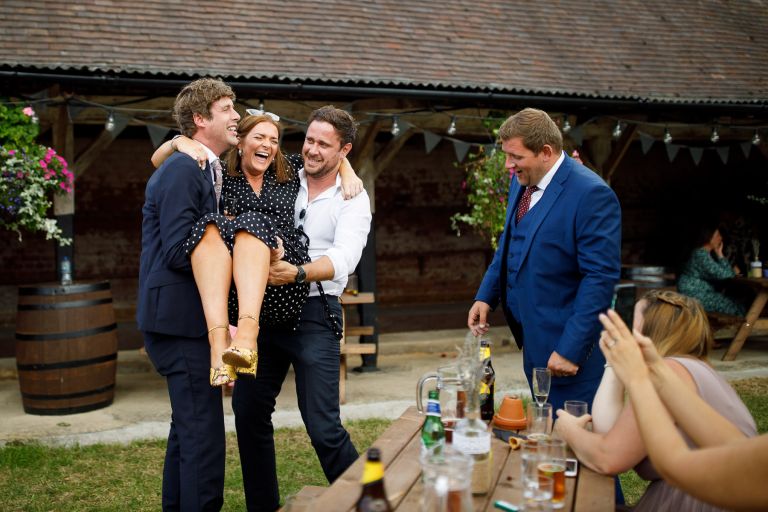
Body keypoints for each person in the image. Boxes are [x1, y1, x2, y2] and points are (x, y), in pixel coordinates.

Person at [150, 112, 362, 387]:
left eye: (273, 140)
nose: (268, 145)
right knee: (209, 224)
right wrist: (179, 141)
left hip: (283, 280)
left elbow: (328, 158)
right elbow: (158, 162)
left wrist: (348, 172)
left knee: (252, 221)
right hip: (243, 290)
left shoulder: (287, 168)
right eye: (259, 137)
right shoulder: (219, 174)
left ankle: (245, 337)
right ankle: (224, 343)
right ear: (240, 142)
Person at [232, 106, 372, 512]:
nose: (311, 150)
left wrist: (297, 273)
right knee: (247, 412)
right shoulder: (287, 172)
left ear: (344, 149)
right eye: (308, 140)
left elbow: (345, 259)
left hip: (316, 312)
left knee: (324, 427)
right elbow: (249, 154)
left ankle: (371, 502)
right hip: (263, 311)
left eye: (323, 145)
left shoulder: (354, 197)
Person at [467, 107, 621, 412]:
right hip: (534, 344)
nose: (509, 166)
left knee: (576, 449)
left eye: (516, 157)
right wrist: (487, 296)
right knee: (546, 439)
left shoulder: (591, 195)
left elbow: (599, 280)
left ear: (546, 152)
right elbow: (509, 246)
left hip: (571, 353)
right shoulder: (522, 182)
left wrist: (570, 350)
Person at [555, 290, 757, 511]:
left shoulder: (672, 371)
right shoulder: (689, 367)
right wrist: (614, 362)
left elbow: (608, 458)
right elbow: (610, 434)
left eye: (633, 319)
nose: (625, 326)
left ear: (652, 330)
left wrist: (568, 430)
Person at [137, 77, 239, 511]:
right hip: (179, 323)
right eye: (228, 109)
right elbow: (182, 250)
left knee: (188, 430)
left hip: (182, 320)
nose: (236, 116)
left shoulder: (199, 165)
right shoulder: (182, 169)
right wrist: (237, 238)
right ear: (201, 119)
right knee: (203, 437)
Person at [678, 224, 746, 316]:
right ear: (708, 237)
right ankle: (744, 328)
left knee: (737, 302)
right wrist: (720, 256)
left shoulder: (704, 254)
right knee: (734, 306)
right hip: (694, 295)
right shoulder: (700, 255)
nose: (721, 238)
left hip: (699, 294)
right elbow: (727, 276)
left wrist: (719, 254)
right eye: (718, 235)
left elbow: (727, 274)